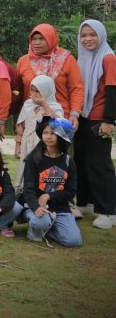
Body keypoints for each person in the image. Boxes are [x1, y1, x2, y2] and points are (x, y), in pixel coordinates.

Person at [75, 19, 116, 230]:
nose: (88, 39)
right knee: (81, 161)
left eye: (92, 35)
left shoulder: (108, 58)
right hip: (83, 116)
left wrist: (109, 121)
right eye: (83, 35)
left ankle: (109, 211)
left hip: (100, 119)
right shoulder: (83, 57)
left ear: (101, 36)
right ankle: (85, 202)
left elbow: (112, 91)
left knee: (99, 164)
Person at [21, 117, 82, 246]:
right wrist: (36, 207)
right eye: (45, 133)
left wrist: (49, 196)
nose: (48, 136)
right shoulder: (34, 158)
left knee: (74, 241)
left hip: (61, 208)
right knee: (41, 222)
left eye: (53, 133)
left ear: (62, 136)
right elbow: (28, 188)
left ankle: (49, 228)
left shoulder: (68, 161)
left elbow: (71, 192)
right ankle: (38, 225)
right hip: (35, 207)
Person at [16, 23, 84, 128]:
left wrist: (74, 114)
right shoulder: (23, 61)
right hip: (31, 118)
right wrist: (19, 120)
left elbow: (76, 89)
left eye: (42, 39)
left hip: (60, 117)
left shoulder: (67, 59)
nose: (37, 43)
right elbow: (18, 92)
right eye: (34, 39)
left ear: (51, 38)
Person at [14, 75, 63, 193]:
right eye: (32, 90)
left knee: (42, 168)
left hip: (44, 144)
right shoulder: (28, 104)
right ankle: (24, 193)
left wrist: (44, 104)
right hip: (28, 142)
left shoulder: (55, 107)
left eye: (38, 91)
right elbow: (21, 126)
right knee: (27, 167)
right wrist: (18, 145)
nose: (34, 94)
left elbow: (58, 124)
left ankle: (43, 193)